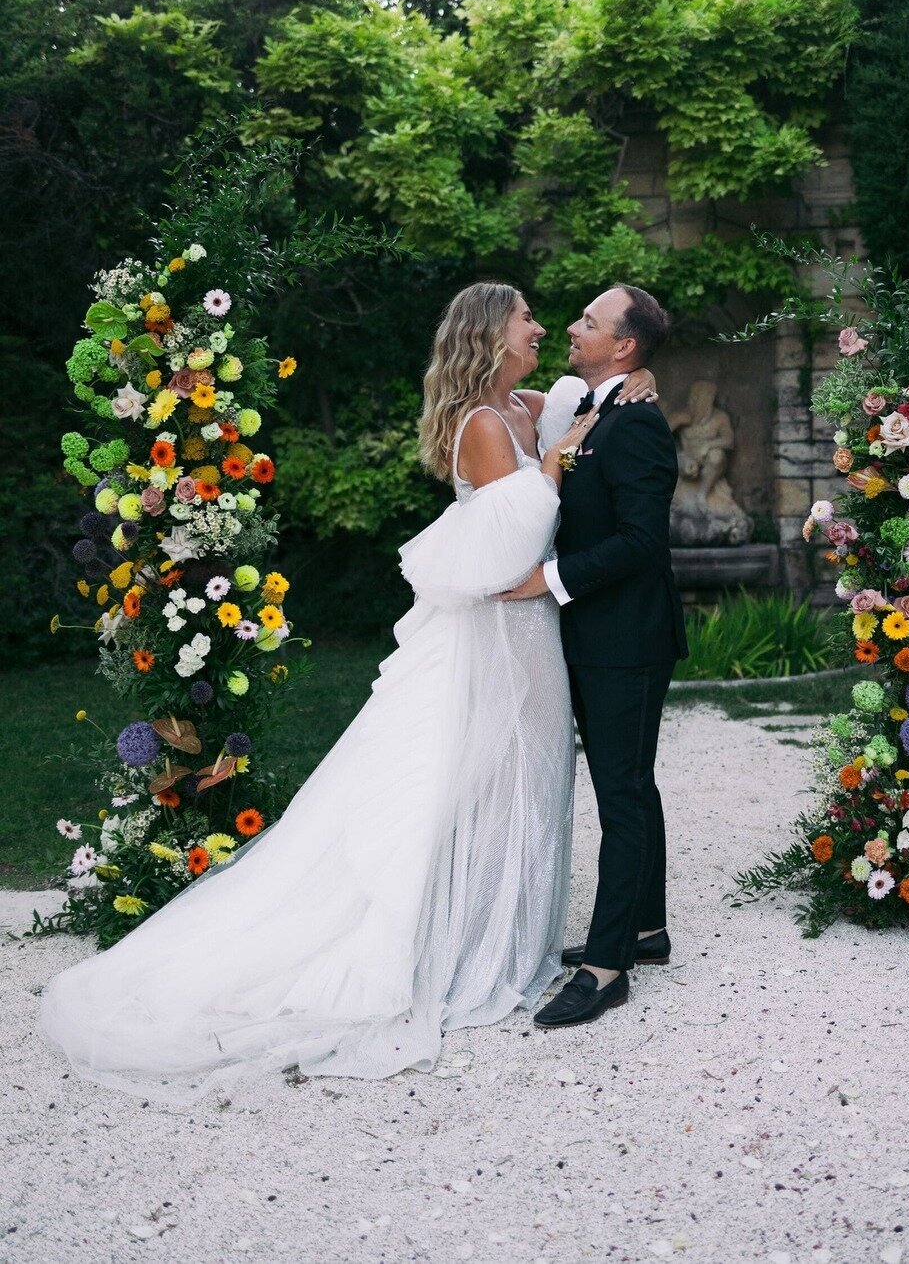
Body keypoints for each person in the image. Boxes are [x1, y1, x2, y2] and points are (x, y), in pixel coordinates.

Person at [37, 282, 653, 1101]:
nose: (543, 328)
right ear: (491, 335)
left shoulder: (526, 404)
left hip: (531, 634)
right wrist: (552, 460)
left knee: (522, 781)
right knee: (462, 783)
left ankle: (505, 931)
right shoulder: (480, 424)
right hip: (496, 630)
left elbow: (586, 399)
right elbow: (514, 532)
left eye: (553, 322)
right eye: (527, 320)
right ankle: (451, 944)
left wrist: (634, 385)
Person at [502, 286, 687, 1028]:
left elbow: (644, 542)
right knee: (630, 782)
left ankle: (607, 966)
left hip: (626, 640)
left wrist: (546, 580)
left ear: (624, 347)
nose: (573, 327)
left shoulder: (637, 424)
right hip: (599, 635)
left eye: (588, 322)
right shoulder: (595, 406)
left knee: (621, 790)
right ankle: (646, 929)